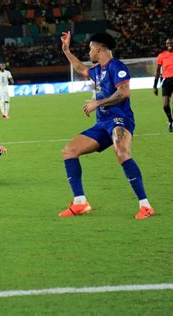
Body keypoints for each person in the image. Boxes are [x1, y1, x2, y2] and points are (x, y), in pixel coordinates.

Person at [59, 31, 154, 219]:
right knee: (69, 151)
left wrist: (97, 103)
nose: (89, 53)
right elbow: (80, 68)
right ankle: (80, 202)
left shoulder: (116, 66)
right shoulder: (97, 70)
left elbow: (124, 92)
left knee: (121, 152)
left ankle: (145, 206)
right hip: (102, 123)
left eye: (90, 49)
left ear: (100, 48)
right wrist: (66, 50)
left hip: (120, 119)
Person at [154, 37, 173, 132]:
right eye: (167, 43)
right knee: (165, 105)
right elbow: (157, 71)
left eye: (171, 43)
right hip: (167, 80)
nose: (169, 44)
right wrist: (155, 85)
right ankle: (170, 121)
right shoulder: (161, 56)